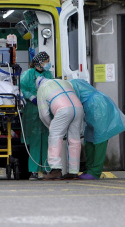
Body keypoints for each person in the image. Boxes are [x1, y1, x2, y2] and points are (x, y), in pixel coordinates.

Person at [70, 79, 125, 180]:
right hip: (93, 105)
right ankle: (89, 169)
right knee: (89, 138)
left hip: (97, 106)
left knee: (99, 138)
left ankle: (95, 172)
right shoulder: (75, 82)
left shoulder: (71, 85)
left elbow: (73, 101)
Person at [36, 77, 84, 180]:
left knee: (55, 137)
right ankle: (73, 172)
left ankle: (55, 170)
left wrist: (51, 125)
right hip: (78, 108)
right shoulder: (64, 82)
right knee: (75, 140)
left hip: (63, 109)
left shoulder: (42, 88)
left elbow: (43, 114)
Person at [20, 51, 53, 180]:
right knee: (34, 142)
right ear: (40, 62)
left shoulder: (48, 74)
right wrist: (31, 96)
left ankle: (47, 169)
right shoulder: (28, 74)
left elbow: (53, 87)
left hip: (46, 109)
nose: (48, 64)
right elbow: (21, 88)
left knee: (46, 141)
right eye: (47, 61)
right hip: (32, 111)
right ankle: (33, 171)